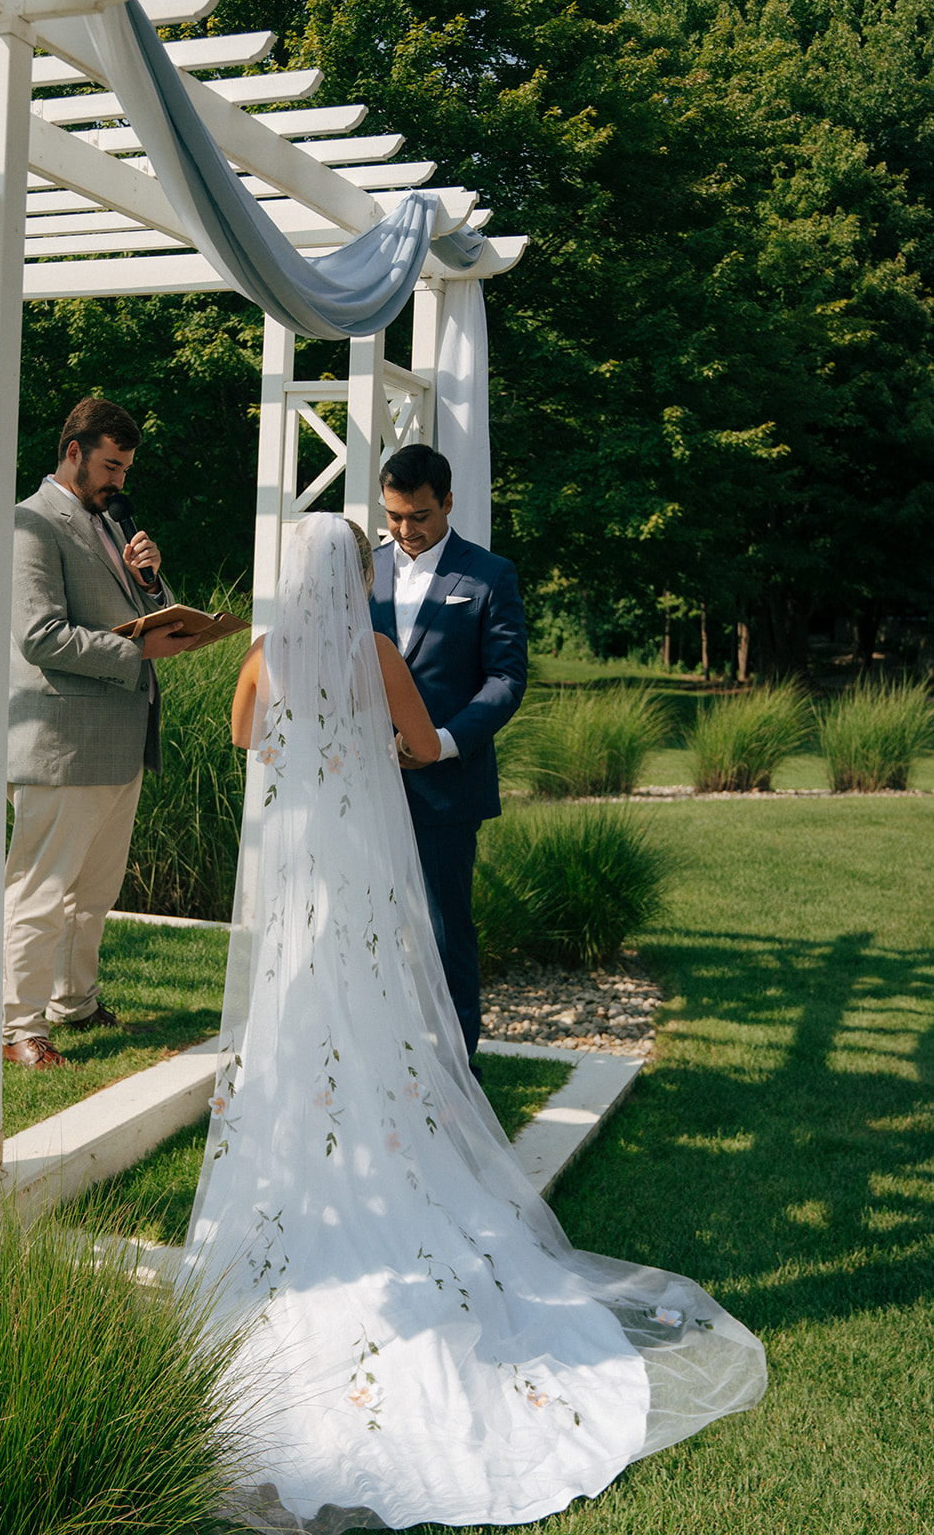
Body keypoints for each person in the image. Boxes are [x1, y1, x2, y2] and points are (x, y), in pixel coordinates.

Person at [182, 513, 765, 1533]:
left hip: (295, 868)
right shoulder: (370, 652)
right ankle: (383, 1150)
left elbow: (244, 738)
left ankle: (313, 1167)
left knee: (296, 1014)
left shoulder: (263, 653)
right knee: (377, 1010)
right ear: (351, 572)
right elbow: (414, 742)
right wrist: (364, 742)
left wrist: (303, 743)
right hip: (360, 864)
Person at [2, 397, 193, 1069]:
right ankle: (16, 1028)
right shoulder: (31, 520)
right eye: (111, 465)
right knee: (41, 890)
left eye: (126, 467)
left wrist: (152, 574)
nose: (119, 480)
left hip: (118, 738)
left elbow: (145, 615)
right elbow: (36, 635)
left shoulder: (112, 523)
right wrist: (138, 654)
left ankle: (72, 1002)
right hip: (61, 740)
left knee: (94, 892)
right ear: (74, 451)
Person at [368, 443, 526, 1065]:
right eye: (394, 516)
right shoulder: (362, 571)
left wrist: (443, 744)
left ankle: (457, 1072)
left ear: (449, 503)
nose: (406, 531)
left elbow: (506, 679)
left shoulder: (490, 574)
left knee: (444, 933)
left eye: (420, 517)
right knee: (369, 924)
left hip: (447, 787)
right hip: (365, 783)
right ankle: (380, 1059)